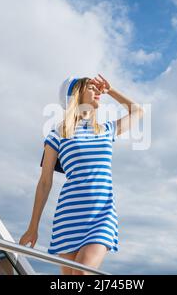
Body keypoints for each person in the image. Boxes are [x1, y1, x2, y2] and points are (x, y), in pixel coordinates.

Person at [19, 74, 144, 275]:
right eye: (91, 88)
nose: (98, 92)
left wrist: (111, 90)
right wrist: (33, 227)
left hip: (101, 214)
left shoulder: (106, 130)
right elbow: (44, 182)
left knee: (82, 273)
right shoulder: (58, 133)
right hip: (69, 217)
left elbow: (138, 111)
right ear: (75, 95)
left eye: (98, 89)